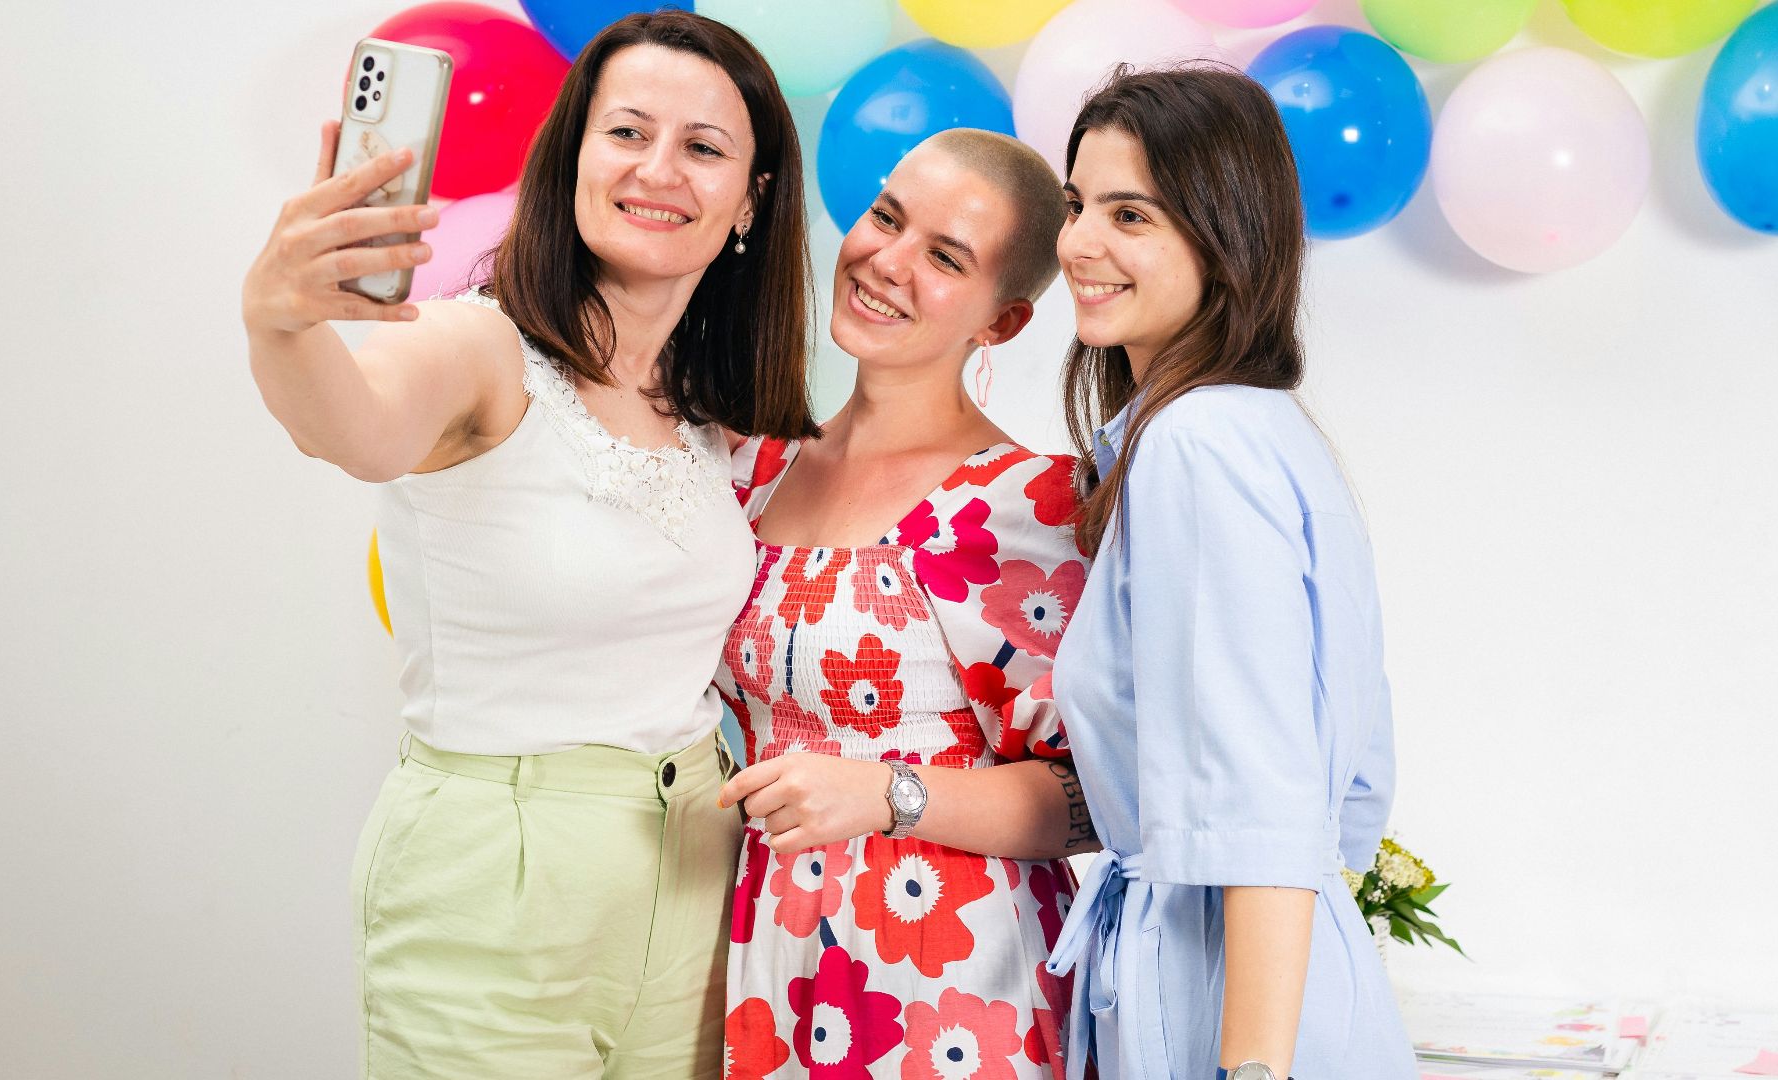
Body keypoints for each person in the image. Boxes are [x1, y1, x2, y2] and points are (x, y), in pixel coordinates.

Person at [239, 12, 815, 1078]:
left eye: (704, 147)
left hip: (693, 870)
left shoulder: (708, 413)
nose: (659, 170)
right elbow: (353, 427)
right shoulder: (480, 346)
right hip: (494, 885)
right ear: (574, 155)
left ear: (752, 199)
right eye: (628, 133)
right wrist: (281, 321)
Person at [1042, 66, 1416, 1080]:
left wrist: (1251, 1067)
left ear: (1224, 235)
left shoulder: (1197, 444)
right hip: (1279, 972)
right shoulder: (1264, 431)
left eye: (1132, 214)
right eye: (1077, 205)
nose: (1079, 243)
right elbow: (1351, 792)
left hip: (1222, 997)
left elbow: (1263, 806)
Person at [714, 129, 1094, 1080]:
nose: (886, 262)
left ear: (1000, 324)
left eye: (945, 257)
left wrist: (884, 794)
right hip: (766, 955)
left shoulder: (1029, 503)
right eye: (887, 217)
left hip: (952, 980)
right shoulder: (750, 471)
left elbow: (1090, 799)